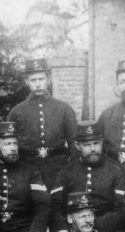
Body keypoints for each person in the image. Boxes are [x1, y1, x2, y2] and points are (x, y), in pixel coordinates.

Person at [6, 58, 77, 190]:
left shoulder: (64, 109)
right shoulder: (16, 112)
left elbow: (74, 143)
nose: (38, 84)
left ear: (48, 79)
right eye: (33, 80)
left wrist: (70, 169)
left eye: (41, 79)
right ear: (26, 82)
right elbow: (9, 144)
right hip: (28, 169)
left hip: (58, 168)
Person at [50, 122, 125, 232]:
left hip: (108, 230)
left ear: (102, 142)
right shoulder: (67, 171)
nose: (93, 149)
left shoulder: (115, 171)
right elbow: (55, 204)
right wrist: (61, 227)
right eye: (87, 145)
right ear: (77, 145)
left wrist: (96, 225)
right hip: (74, 228)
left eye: (96, 143)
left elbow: (122, 207)